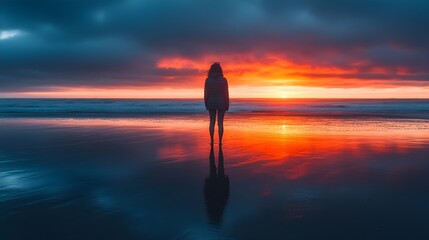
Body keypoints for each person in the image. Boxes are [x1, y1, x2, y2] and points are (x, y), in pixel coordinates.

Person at [204, 62, 229, 144]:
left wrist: (206, 103)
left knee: (212, 122)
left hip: (211, 102)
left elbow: (206, 93)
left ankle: (211, 141)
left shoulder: (207, 80)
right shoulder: (224, 80)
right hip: (222, 103)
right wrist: (227, 104)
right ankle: (220, 141)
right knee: (220, 123)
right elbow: (226, 93)